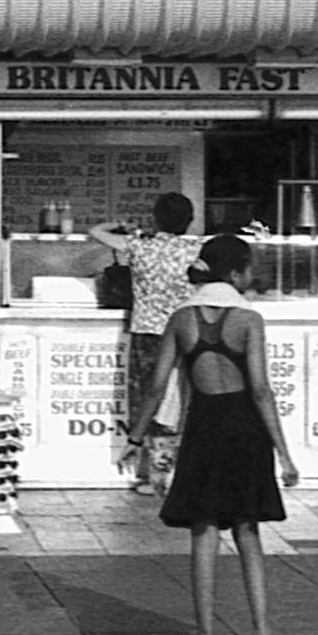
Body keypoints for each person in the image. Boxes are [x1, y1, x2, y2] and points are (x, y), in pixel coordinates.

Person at [125, 232, 299, 635]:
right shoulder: (249, 321)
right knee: (248, 531)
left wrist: (135, 436)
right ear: (238, 273)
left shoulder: (182, 319)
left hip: (205, 427)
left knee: (203, 532)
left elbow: (158, 384)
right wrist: (284, 453)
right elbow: (261, 390)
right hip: (246, 429)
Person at [93, 192, 204, 493]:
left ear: (156, 218)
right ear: (190, 220)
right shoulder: (198, 248)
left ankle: (153, 476)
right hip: (187, 332)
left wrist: (121, 224)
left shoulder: (140, 246)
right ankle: (183, 472)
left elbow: (95, 233)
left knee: (149, 401)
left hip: (147, 333)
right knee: (181, 401)